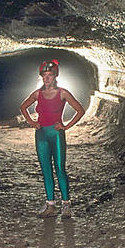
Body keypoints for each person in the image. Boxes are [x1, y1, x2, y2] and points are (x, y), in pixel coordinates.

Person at [19, 59, 85, 218]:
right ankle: (50, 205)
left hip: (56, 134)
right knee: (46, 170)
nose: (47, 78)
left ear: (55, 76)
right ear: (41, 77)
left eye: (50, 75)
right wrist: (31, 122)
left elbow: (80, 110)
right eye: (44, 75)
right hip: (41, 134)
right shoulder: (37, 94)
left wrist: (66, 126)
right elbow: (23, 106)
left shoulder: (63, 92)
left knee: (60, 169)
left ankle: (66, 205)